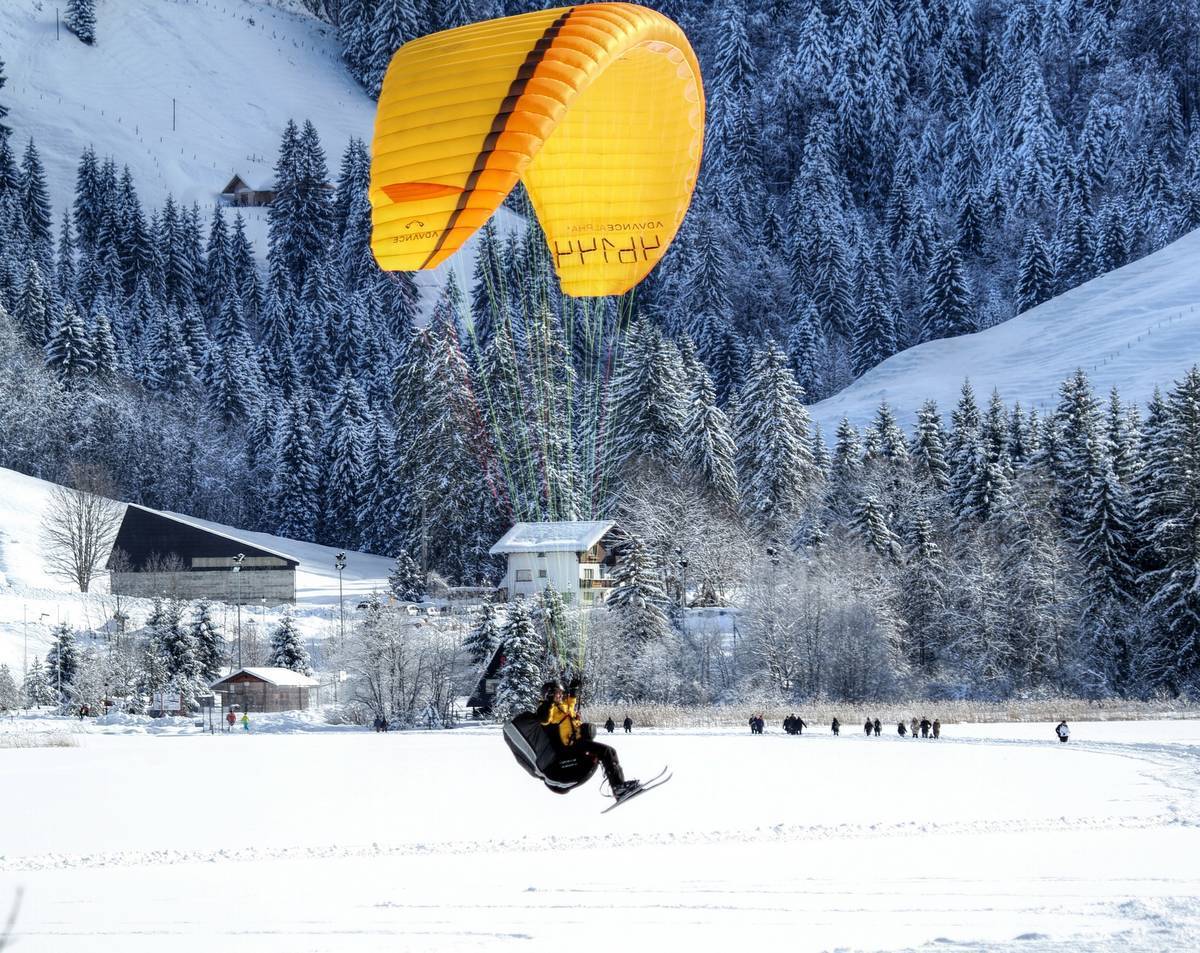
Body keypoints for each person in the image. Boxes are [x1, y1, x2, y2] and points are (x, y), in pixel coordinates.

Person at [537, 680, 639, 800]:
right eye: (557, 693)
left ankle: (619, 787)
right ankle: (619, 788)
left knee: (609, 752)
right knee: (607, 752)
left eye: (561, 693)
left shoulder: (563, 706)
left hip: (579, 743)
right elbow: (543, 719)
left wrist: (574, 690)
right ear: (548, 695)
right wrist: (549, 702)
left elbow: (571, 702)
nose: (560, 695)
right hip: (568, 748)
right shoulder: (548, 709)